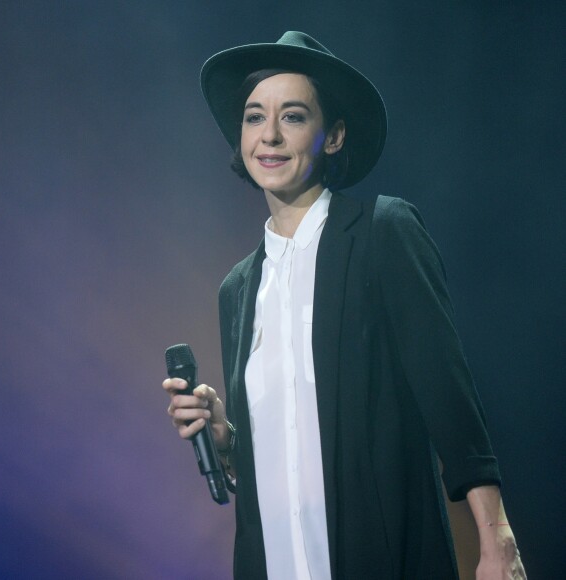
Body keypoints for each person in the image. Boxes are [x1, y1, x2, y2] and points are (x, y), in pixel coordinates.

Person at [163, 31, 526, 579]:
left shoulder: (383, 232)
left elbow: (452, 405)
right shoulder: (237, 289)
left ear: (331, 136)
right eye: (255, 117)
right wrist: (228, 442)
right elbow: (287, 441)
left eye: (293, 117)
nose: (270, 136)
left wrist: (497, 544)